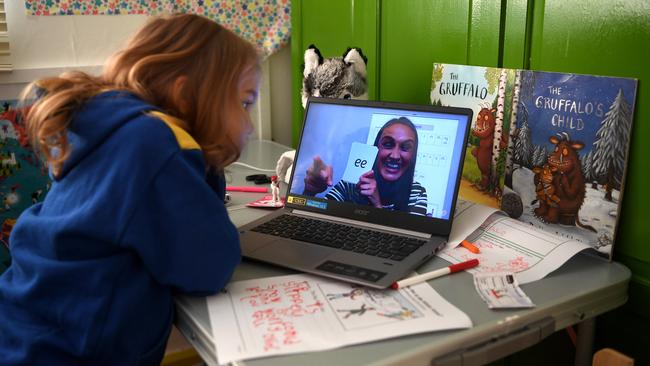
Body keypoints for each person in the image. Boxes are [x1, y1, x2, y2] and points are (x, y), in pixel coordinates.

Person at [0, 14, 260, 365]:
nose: (250, 125)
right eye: (245, 103)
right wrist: (209, 165)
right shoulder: (155, 146)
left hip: (29, 327)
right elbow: (210, 266)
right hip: (67, 354)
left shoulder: (114, 127)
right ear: (185, 94)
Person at [303, 117, 428, 215]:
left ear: (413, 155)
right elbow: (313, 221)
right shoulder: (351, 183)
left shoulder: (417, 194)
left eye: (405, 147)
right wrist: (309, 192)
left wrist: (377, 205)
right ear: (376, 148)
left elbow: (404, 244)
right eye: (388, 144)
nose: (395, 156)